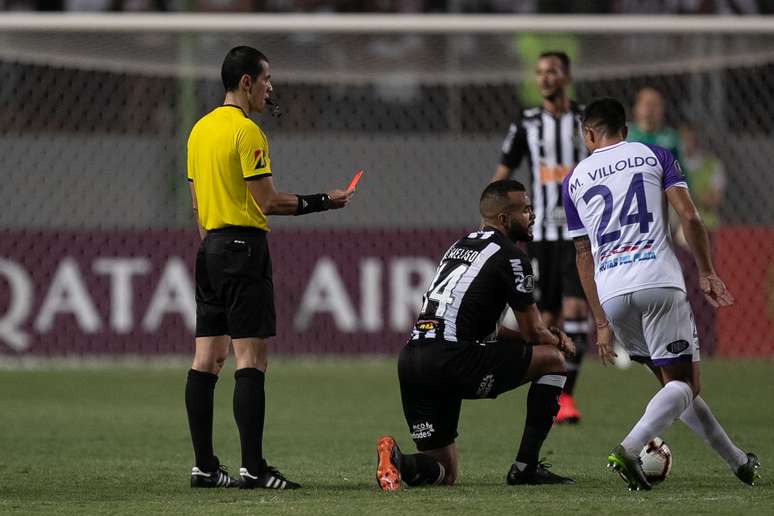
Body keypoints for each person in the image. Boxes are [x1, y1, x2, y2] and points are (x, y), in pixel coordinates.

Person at [562, 97, 760, 491]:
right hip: (658, 281)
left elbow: (583, 255)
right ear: (626, 127)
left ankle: (739, 462)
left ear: (588, 134)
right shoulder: (655, 155)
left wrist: (600, 321)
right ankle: (630, 448)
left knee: (674, 385)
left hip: (613, 293)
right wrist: (706, 271)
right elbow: (689, 216)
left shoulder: (574, 180)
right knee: (686, 385)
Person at [184, 46, 352, 490]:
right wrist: (324, 201)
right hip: (243, 247)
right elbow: (268, 201)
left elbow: (199, 207)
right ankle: (253, 469)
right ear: (246, 83)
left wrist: (215, 251)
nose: (269, 88)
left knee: (206, 359)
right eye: (265, 80)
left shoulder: (198, 131)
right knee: (251, 361)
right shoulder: (247, 133)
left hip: (210, 250)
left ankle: (204, 466)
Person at [375, 180, 576, 491]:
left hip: (413, 360)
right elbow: (533, 331)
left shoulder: (460, 246)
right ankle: (525, 468)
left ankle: (398, 461)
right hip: (451, 360)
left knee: (445, 472)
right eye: (525, 209)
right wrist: (558, 339)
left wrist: (537, 336)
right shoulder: (511, 256)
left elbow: (490, 329)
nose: (533, 215)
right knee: (553, 361)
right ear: (504, 219)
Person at [493, 51, 589, 424]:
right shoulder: (526, 123)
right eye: (539, 73)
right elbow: (503, 174)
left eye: (552, 72)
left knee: (576, 311)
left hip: (578, 232)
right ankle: (548, 394)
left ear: (566, 76)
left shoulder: (585, 122)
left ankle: (566, 397)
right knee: (544, 317)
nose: (544, 78)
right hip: (540, 235)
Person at [627, 86, 684, 176]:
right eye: (647, 104)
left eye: (656, 105)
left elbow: (679, 172)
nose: (650, 109)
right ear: (636, 107)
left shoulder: (669, 139)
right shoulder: (624, 135)